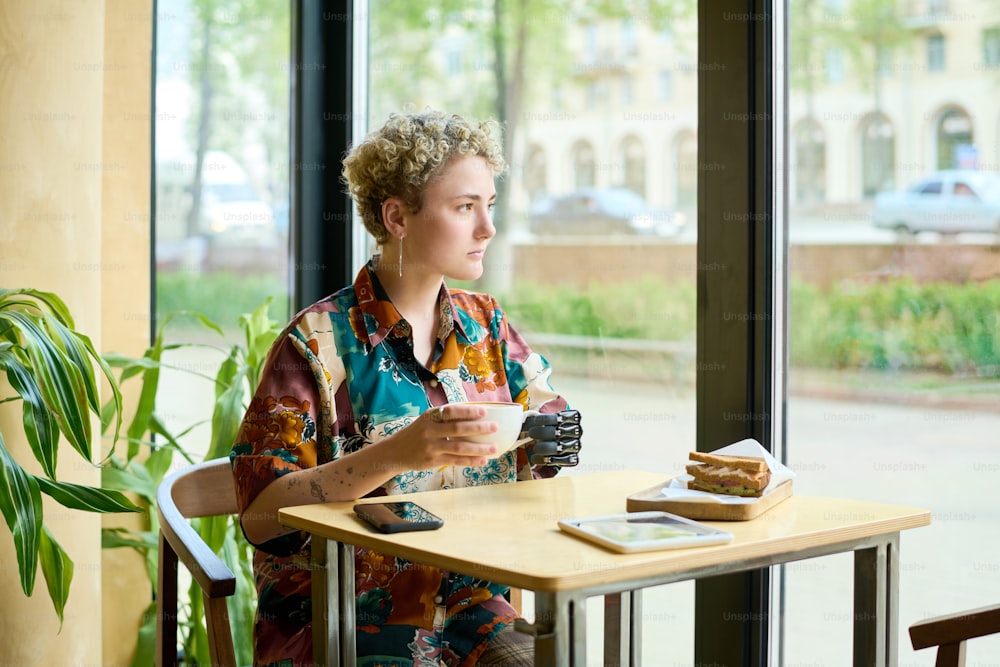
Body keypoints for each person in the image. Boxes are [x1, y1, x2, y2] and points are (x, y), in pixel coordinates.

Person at [231, 110, 577, 667]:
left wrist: (551, 441)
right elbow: (262, 517)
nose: (487, 228)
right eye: (465, 207)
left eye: (489, 206)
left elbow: (549, 428)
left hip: (474, 612)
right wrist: (399, 453)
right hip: (342, 625)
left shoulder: (487, 326)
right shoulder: (314, 345)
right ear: (397, 217)